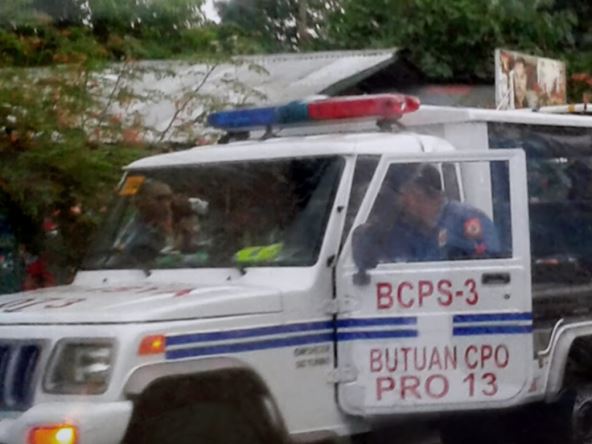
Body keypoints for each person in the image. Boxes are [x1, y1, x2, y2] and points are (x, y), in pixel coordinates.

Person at [353, 164, 501, 268]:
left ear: (417, 194)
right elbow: (380, 261)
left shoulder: (465, 220)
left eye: (405, 194)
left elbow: (491, 267)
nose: (401, 201)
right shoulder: (406, 228)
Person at [112, 179, 174, 266]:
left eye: (169, 199)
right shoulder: (124, 227)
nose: (166, 205)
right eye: (159, 199)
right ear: (140, 202)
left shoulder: (180, 223)